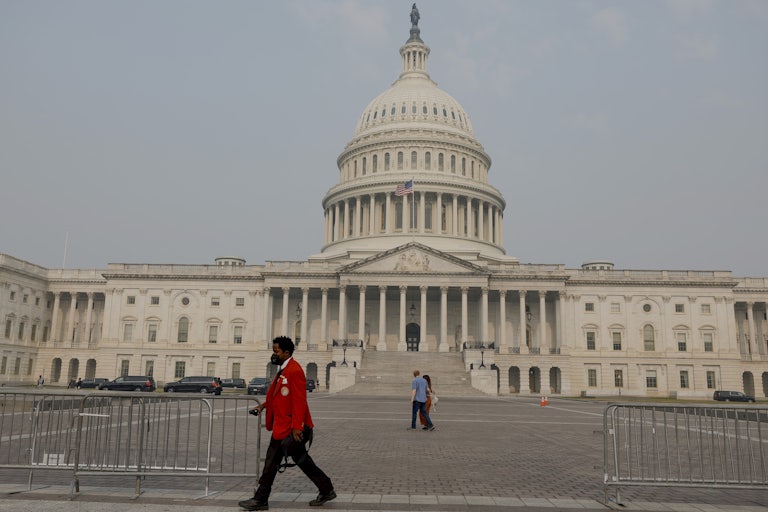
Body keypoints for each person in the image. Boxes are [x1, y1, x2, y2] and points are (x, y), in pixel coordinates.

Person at [239, 336, 335, 511]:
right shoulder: (284, 369)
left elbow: (299, 400)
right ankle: (326, 488)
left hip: (291, 428)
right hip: (283, 427)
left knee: (274, 463)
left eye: (276, 351)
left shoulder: (294, 370)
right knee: (299, 461)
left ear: (286, 353)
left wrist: (297, 426)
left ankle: (261, 499)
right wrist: (263, 406)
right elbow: (279, 395)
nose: (273, 354)